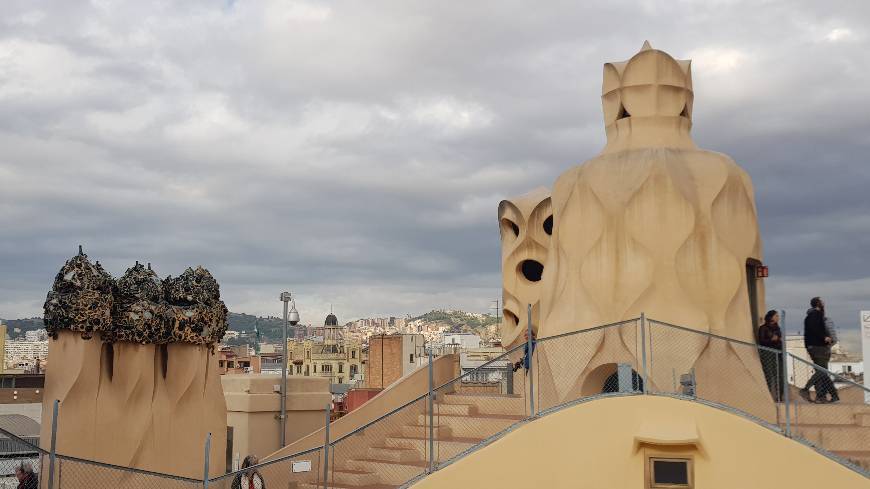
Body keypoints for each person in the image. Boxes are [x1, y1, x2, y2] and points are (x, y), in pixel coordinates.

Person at [800, 297, 839, 403]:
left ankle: (833, 396)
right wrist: (824, 337)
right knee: (822, 371)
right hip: (818, 347)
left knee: (822, 372)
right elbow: (815, 329)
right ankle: (805, 389)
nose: (824, 303)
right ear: (818, 304)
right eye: (822, 301)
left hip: (815, 346)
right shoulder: (815, 315)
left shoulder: (813, 315)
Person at [757, 310, 784, 401]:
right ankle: (768, 397)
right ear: (771, 317)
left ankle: (779, 396)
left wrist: (777, 340)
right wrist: (772, 340)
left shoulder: (777, 328)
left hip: (778, 353)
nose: (778, 317)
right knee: (769, 374)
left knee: (779, 375)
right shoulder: (763, 328)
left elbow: (779, 339)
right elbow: (761, 341)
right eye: (776, 316)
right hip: (768, 353)